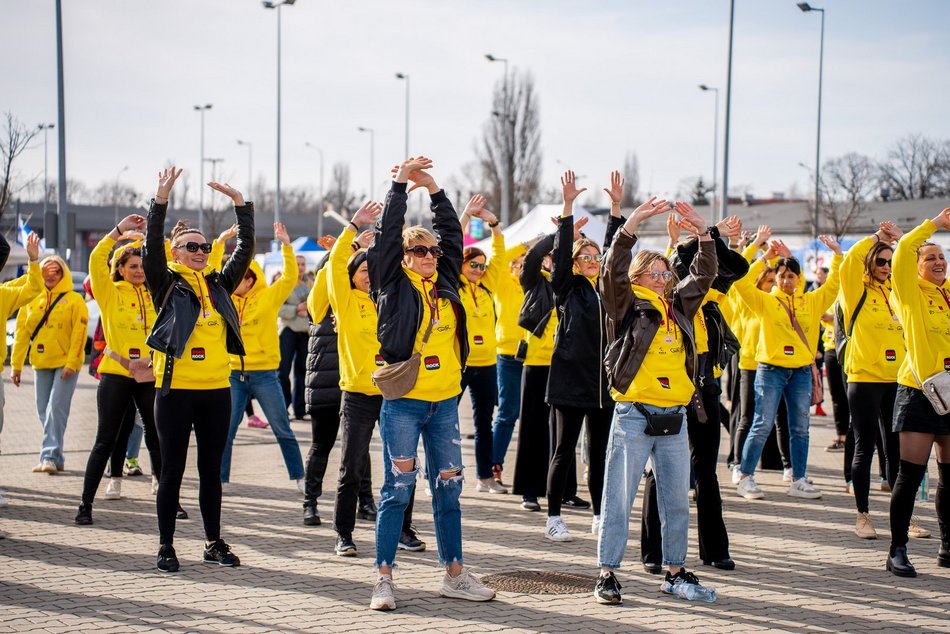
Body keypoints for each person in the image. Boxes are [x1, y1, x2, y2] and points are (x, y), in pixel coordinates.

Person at [367, 156, 494, 610]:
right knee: (397, 490)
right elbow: (385, 237)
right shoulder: (390, 281)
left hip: (444, 405)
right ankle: (383, 578)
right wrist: (400, 186)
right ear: (403, 257)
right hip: (404, 403)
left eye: (432, 252)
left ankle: (455, 573)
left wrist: (437, 191)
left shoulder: (446, 285)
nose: (429, 257)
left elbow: (455, 238)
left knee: (450, 488)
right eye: (419, 251)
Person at [594, 198, 718, 605]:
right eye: (655, 272)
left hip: (675, 416)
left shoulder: (677, 305)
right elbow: (611, 270)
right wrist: (630, 224)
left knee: (676, 499)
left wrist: (704, 233)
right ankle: (608, 573)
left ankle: (675, 571)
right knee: (619, 497)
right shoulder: (624, 305)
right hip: (634, 415)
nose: (664, 277)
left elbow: (704, 273)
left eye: (666, 271)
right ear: (637, 277)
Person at [143, 167, 253, 573]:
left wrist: (241, 205)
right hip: (175, 390)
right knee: (172, 470)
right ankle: (166, 545)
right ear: (177, 252)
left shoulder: (219, 283)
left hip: (215, 391)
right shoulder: (166, 282)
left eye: (205, 247)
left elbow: (245, 250)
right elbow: (151, 246)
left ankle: (213, 541)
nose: (201, 251)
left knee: (211, 471)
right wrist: (160, 199)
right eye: (192, 247)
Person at [639, 214, 746, 573]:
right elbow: (676, 263)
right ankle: (653, 552)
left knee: (706, 471)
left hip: (705, 387)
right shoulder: (667, 298)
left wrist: (712, 238)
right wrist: (707, 232)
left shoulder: (711, 298)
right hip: (669, 388)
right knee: (660, 471)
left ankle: (715, 549)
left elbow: (737, 269)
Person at [326, 201, 424, 556]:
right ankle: (344, 533)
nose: (367, 274)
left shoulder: (391, 298)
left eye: (373, 268)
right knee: (350, 467)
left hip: (396, 393)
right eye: (361, 269)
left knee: (402, 467)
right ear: (353, 274)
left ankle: (403, 530)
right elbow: (336, 263)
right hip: (357, 394)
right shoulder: (347, 303)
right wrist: (352, 227)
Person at [543, 170, 622, 542]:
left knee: (600, 453)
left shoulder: (606, 289)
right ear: (575, 263)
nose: (592, 260)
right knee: (563, 451)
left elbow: (616, 251)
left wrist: (617, 208)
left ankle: (599, 513)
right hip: (568, 381)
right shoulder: (567, 287)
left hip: (602, 384)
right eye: (585, 256)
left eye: (595, 256)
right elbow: (559, 255)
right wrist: (568, 206)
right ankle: (554, 517)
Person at [732, 235, 842, 501]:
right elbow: (741, 283)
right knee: (762, 424)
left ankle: (798, 479)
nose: (786, 280)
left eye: (792, 275)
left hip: (802, 372)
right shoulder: (766, 301)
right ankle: (745, 477)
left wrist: (837, 255)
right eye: (781, 275)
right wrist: (765, 259)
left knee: (800, 428)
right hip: (770, 370)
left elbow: (835, 285)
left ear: (799, 278)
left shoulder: (811, 301)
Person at [74, 219, 165, 524]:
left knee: (157, 435)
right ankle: (85, 504)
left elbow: (168, 257)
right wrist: (118, 232)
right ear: (121, 268)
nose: (139, 270)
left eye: (142, 265)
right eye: (133, 266)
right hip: (116, 373)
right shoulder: (110, 291)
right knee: (106, 439)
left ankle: (168, 499)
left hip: (148, 375)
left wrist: (152, 235)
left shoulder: (155, 292)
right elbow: (96, 258)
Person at [885, 209, 950, 577]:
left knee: (949, 476)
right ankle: (897, 550)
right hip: (919, 391)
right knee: (910, 476)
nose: (938, 262)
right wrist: (935, 224)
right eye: (931, 258)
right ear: (916, 266)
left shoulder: (949, 292)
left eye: (942, 256)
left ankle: (947, 546)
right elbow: (905, 247)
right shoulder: (908, 292)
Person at [219, 222, 306, 492]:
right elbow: (209, 275)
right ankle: (219, 481)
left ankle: (300, 478)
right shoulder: (224, 299)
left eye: (241, 278)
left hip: (265, 375)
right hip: (233, 374)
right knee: (226, 433)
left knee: (282, 428)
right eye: (232, 278)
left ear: (252, 278)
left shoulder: (268, 297)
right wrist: (220, 242)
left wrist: (286, 246)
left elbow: (290, 278)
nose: (236, 283)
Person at [302, 237, 379, 529]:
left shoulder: (372, 303)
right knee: (321, 444)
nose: (368, 276)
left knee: (357, 448)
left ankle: (366, 501)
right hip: (326, 380)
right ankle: (310, 502)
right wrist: (348, 245)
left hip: (358, 383)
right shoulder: (326, 301)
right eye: (361, 270)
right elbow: (330, 271)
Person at [838, 222, 905, 540]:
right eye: (881, 261)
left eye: (890, 261)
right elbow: (851, 259)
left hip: (898, 379)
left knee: (896, 449)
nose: (886, 267)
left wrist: (903, 243)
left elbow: (919, 276)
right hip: (863, 378)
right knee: (865, 446)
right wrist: (877, 239)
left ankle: (904, 517)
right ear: (870, 262)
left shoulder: (895, 291)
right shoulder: (856, 290)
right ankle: (863, 515)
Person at [12, 244, 89, 474]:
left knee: (56, 409)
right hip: (40, 362)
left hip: (66, 364)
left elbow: (79, 334)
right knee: (43, 410)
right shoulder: (32, 299)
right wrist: (16, 365)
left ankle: (49, 457)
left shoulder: (75, 300)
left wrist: (73, 363)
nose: (51, 275)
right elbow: (22, 333)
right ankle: (57, 455)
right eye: (47, 271)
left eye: (56, 271)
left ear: (63, 274)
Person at [458, 194, 508, 493]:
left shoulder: (487, 287)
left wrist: (495, 225)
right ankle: (436, 476)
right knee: (445, 424)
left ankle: (485, 477)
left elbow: (500, 257)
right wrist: (466, 215)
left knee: (483, 425)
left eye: (481, 266)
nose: (477, 270)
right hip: (459, 363)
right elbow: (449, 248)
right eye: (472, 265)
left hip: (487, 363)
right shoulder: (452, 283)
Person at [511, 229, 559, 512]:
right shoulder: (534, 282)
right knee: (533, 428)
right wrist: (560, 232)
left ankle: (562, 490)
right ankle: (530, 491)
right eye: (550, 257)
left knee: (562, 433)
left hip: (566, 366)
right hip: (537, 364)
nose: (554, 260)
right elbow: (530, 259)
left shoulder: (571, 285)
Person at [278, 254, 311, 420]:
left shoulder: (310, 283)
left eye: (302, 264)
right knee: (283, 371)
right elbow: (276, 307)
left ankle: (300, 409)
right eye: (297, 264)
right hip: (288, 330)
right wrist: (296, 308)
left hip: (305, 332)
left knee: (303, 372)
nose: (300, 267)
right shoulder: (283, 282)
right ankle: (283, 407)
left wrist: (309, 309)